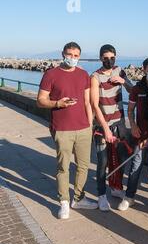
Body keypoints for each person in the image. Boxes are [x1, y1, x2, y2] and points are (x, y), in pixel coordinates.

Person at [37, 42, 98, 220]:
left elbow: (87, 102)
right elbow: (40, 100)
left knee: (83, 166)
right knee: (63, 167)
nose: (72, 58)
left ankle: (79, 198)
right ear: (62, 54)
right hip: (62, 129)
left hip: (84, 128)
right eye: (69, 54)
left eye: (76, 55)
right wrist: (57, 103)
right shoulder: (51, 74)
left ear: (80, 56)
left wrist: (90, 124)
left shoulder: (83, 74)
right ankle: (64, 201)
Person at [90, 44, 132, 211]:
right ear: (101, 58)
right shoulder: (95, 76)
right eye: (106, 58)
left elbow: (133, 89)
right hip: (102, 125)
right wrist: (105, 129)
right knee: (103, 161)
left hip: (120, 123)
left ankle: (115, 188)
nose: (109, 60)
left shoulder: (120, 71)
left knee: (120, 159)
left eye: (112, 58)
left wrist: (122, 81)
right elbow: (94, 104)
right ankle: (101, 195)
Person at [120, 57, 148, 211]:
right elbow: (130, 110)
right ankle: (129, 196)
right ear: (144, 70)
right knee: (135, 166)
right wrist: (133, 126)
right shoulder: (137, 89)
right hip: (140, 135)